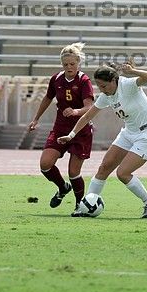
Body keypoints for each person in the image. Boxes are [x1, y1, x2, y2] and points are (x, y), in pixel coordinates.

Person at [58, 59, 147, 218]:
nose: (102, 90)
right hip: (129, 132)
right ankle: (86, 206)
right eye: (99, 86)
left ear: (114, 80)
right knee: (104, 168)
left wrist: (132, 71)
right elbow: (87, 117)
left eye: (104, 86)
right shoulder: (106, 96)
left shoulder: (127, 84)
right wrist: (71, 135)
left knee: (123, 173)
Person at [28, 42, 95, 213]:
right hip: (60, 129)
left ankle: (80, 205)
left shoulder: (84, 80)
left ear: (78, 62)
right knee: (45, 164)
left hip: (80, 131)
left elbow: (90, 107)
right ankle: (63, 187)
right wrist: (36, 119)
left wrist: (75, 111)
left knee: (74, 172)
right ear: (62, 64)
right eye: (66, 64)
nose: (69, 67)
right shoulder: (56, 79)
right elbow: (47, 98)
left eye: (72, 64)